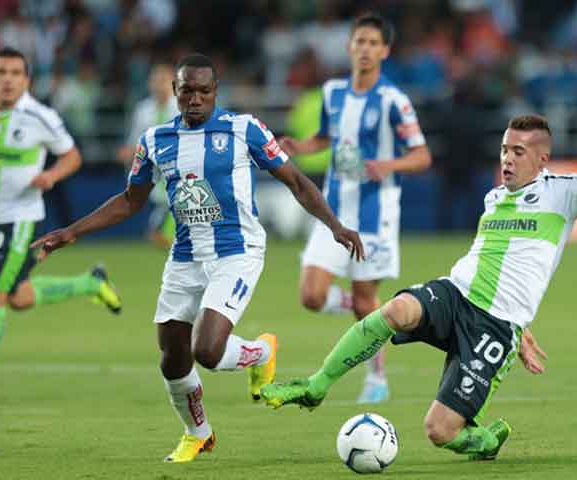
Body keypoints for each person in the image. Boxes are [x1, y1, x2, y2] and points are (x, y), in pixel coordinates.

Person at [261, 78, 577, 461]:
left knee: (439, 431)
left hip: (495, 326)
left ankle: (484, 441)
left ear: (541, 159)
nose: (507, 159)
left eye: (518, 152)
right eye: (504, 150)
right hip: (456, 293)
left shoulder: (562, 193)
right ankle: (316, 386)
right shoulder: (494, 197)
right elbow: (496, 261)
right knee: (396, 310)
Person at [31, 53, 364, 463]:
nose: (195, 98)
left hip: (237, 252)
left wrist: (334, 226)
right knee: (172, 358)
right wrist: (71, 231)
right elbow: (131, 200)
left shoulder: (244, 129)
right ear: (175, 90)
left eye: (204, 91)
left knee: (206, 350)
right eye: (187, 90)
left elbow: (295, 181)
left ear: (215, 92)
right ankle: (198, 434)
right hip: (185, 256)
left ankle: (260, 353)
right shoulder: (155, 140)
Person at [278, 13, 432, 404]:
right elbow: (326, 138)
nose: (365, 49)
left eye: (372, 43)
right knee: (311, 295)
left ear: (385, 51)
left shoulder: (394, 100)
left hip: (375, 215)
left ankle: (376, 378)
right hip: (333, 211)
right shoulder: (333, 92)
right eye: (359, 41)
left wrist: (389, 165)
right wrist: (300, 146)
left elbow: (422, 156)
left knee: (365, 299)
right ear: (350, 46)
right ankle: (380, 314)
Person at [0, 47, 121, 403]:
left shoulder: (40, 116)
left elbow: (72, 155)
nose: (7, 80)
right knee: (19, 297)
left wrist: (51, 176)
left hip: (21, 221)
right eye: (0, 72)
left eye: (15, 73)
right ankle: (90, 283)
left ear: (26, 80)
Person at [116, 62, 179, 249]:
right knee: (162, 205)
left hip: (179, 165)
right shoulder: (143, 109)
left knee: (171, 204)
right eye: (155, 80)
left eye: (163, 80)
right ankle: (168, 236)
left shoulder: (183, 106)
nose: (158, 85)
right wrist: (128, 151)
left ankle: (167, 235)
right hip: (154, 167)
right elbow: (136, 138)